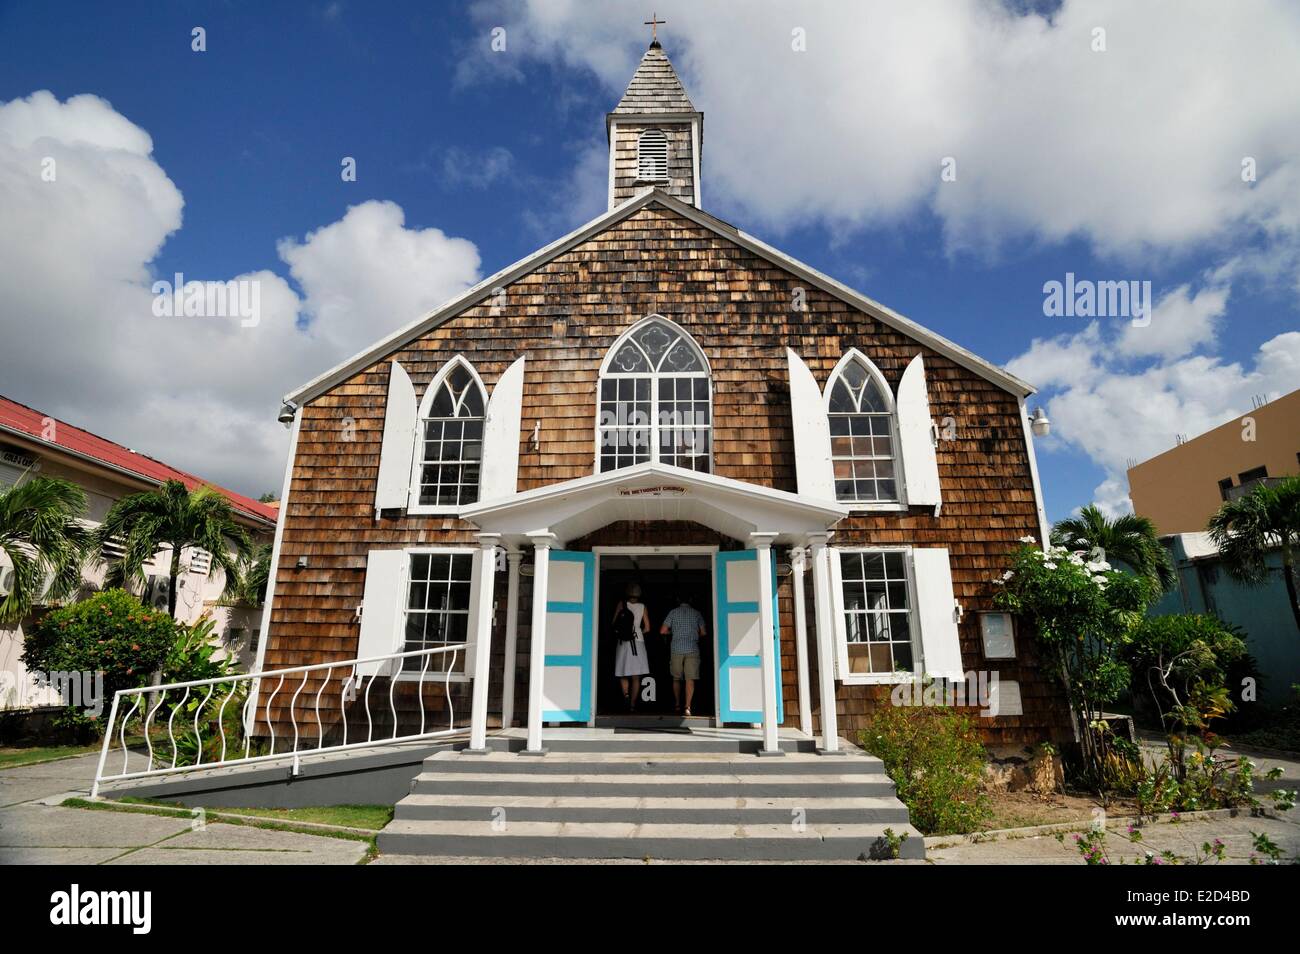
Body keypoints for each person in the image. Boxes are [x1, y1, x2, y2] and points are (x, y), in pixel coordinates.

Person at [660, 594, 707, 716]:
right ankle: (687, 707)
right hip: (692, 649)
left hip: (676, 649)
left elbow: (662, 631)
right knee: (690, 679)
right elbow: (703, 632)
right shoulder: (697, 613)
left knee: (676, 678)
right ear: (690, 600)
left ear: (678, 600)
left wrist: (674, 631)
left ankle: (677, 704)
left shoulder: (673, 613)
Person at [611, 582, 651, 712]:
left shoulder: (621, 604)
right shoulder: (643, 606)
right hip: (637, 641)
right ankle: (633, 705)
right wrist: (638, 632)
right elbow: (648, 628)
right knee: (636, 676)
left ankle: (626, 694)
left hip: (623, 641)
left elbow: (614, 623)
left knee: (623, 672)